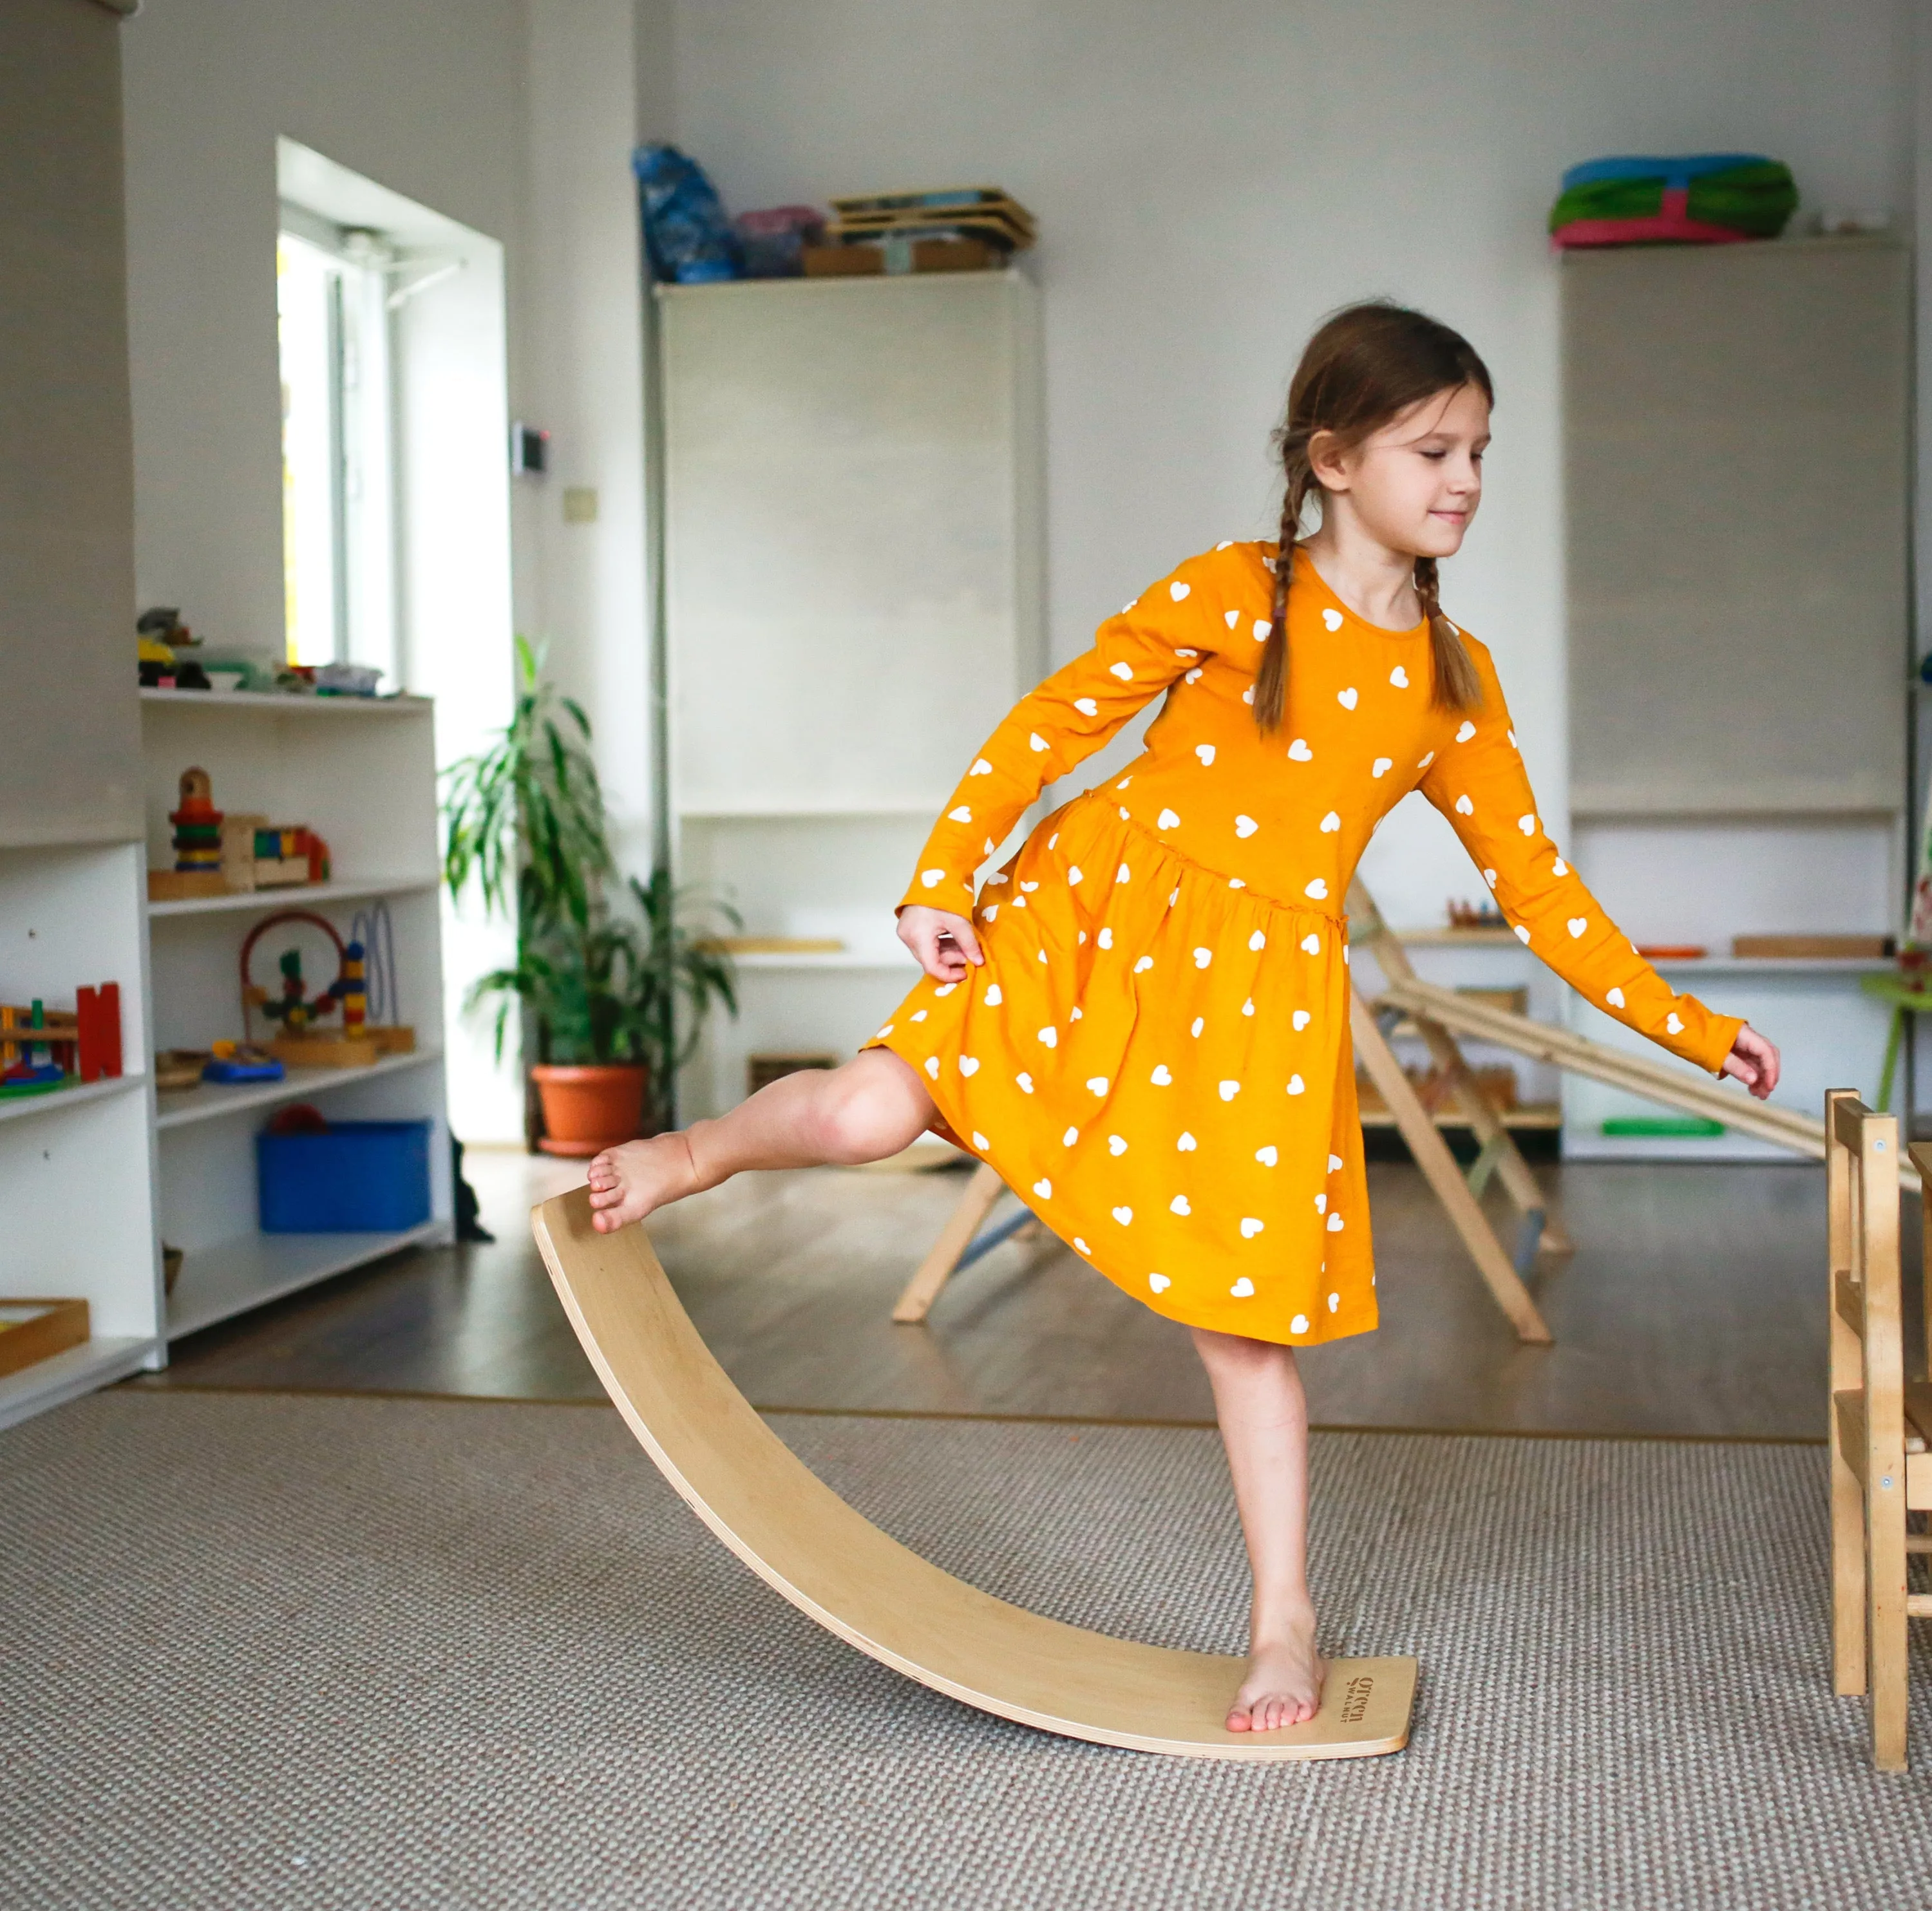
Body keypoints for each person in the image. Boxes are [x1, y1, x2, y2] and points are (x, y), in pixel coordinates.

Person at [586, 301, 1783, 1734]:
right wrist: (940, 876)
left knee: (1242, 1322)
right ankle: (698, 1154)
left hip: (1253, 1005)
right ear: (1336, 460)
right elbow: (1051, 724)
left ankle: (1284, 1620)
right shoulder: (1237, 591)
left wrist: (1691, 1026)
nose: (1464, 478)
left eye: (1478, 450)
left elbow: (1539, 890)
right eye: (1432, 448)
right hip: (1098, 921)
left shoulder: (1450, 688)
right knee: (862, 1113)